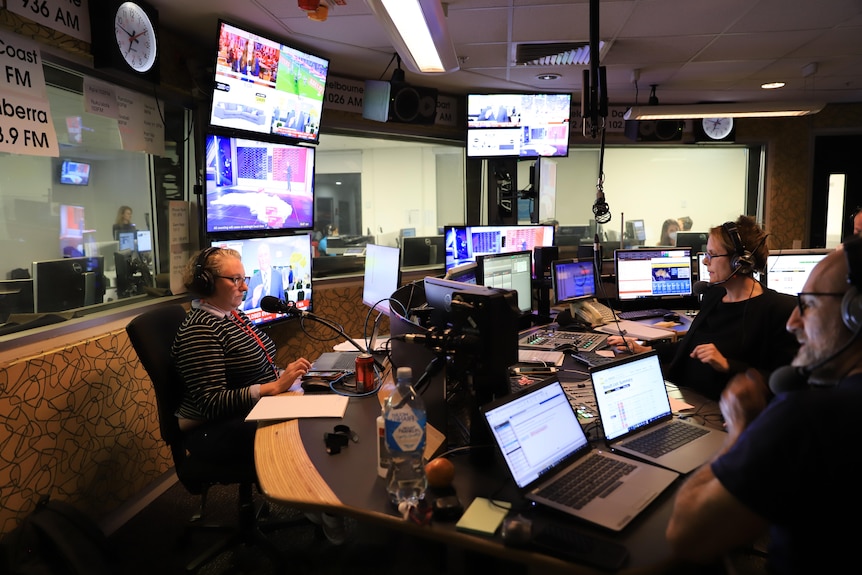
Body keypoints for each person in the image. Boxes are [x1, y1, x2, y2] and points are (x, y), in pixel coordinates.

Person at [665, 237, 862, 573]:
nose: (793, 323)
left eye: (810, 304)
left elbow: (686, 534)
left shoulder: (810, 415)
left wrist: (743, 430)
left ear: (855, 314)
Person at [171, 248, 349, 544]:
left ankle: (313, 501)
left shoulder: (231, 315)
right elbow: (210, 402)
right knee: (302, 428)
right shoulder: (201, 330)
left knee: (322, 409)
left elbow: (257, 365)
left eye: (245, 278)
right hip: (212, 429)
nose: (244, 286)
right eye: (235, 279)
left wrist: (286, 376)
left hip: (243, 411)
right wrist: (272, 388)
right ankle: (321, 505)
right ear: (207, 283)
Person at [607, 215, 799, 400]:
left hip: (725, 411)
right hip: (686, 399)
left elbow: (783, 382)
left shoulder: (779, 310)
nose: (706, 261)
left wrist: (727, 365)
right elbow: (689, 347)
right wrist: (643, 349)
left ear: (740, 262)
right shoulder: (715, 295)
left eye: (712, 255)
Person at [243, 242, 284, 310]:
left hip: (277, 317)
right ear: (258, 258)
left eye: (265, 255)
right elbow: (245, 307)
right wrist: (254, 300)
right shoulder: (253, 279)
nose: (263, 259)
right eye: (260, 256)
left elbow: (282, 300)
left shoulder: (278, 275)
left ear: (270, 256)